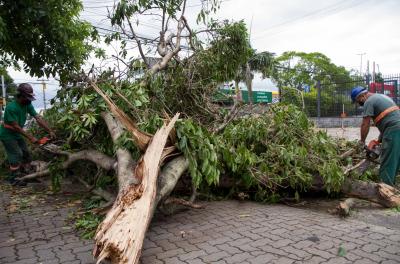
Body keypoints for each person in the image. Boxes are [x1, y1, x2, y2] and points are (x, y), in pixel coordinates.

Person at [0, 83, 56, 186]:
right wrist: (31, 137)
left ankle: (26, 175)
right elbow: (16, 127)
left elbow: (38, 118)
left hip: (17, 133)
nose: (29, 100)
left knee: (26, 153)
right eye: (27, 97)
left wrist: (50, 130)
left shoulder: (28, 105)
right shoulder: (11, 107)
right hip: (7, 134)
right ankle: (14, 179)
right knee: (17, 154)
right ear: (21, 96)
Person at [351, 86, 400, 186]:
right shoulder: (381, 97)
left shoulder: (369, 101)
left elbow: (365, 123)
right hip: (395, 128)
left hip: (394, 130)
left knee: (387, 162)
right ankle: (393, 188)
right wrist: (378, 141)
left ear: (361, 96)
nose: (359, 104)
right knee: (395, 159)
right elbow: (389, 119)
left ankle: (385, 190)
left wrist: (362, 141)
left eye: (358, 101)